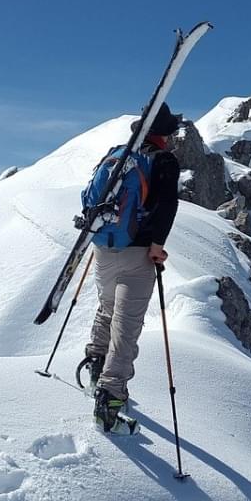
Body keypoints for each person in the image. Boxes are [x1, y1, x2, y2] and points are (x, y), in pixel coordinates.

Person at [84, 104, 181, 431]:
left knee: (107, 309)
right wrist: (157, 245)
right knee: (127, 327)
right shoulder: (163, 160)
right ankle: (110, 399)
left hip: (104, 247)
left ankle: (96, 364)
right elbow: (167, 204)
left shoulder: (120, 155)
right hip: (136, 254)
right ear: (164, 133)